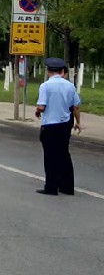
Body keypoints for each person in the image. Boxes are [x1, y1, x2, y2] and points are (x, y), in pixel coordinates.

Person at [35, 58, 82, 196]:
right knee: (64, 154)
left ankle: (51, 187)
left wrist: (37, 111)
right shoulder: (70, 86)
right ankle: (67, 186)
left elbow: (42, 107)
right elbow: (76, 106)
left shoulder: (45, 86)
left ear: (48, 71)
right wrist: (78, 122)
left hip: (50, 125)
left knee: (50, 156)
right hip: (65, 124)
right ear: (62, 71)